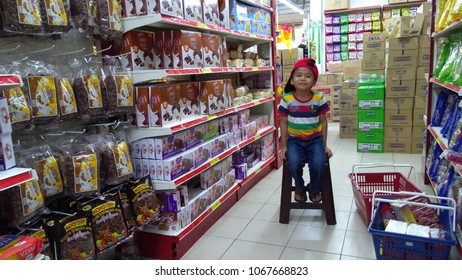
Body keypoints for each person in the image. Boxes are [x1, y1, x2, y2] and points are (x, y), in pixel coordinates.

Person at [278, 58, 333, 203]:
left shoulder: (319, 98)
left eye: (308, 76)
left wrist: (324, 144)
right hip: (294, 140)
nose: (303, 79)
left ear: (314, 82)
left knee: (319, 163)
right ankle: (300, 187)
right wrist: (283, 146)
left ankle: (315, 188)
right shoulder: (286, 99)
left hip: (314, 139)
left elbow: (323, 121)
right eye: (298, 75)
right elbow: (283, 123)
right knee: (293, 163)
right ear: (291, 80)